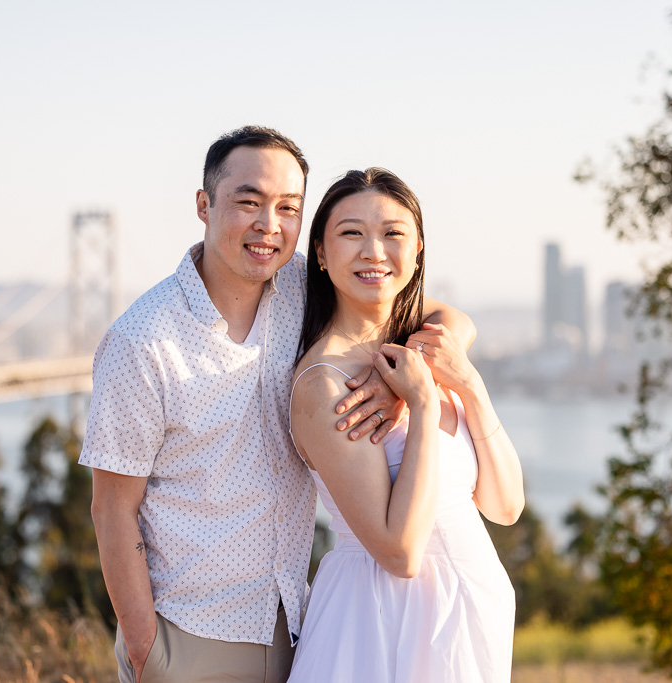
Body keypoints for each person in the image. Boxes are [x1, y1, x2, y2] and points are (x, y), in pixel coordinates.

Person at [79, 127, 474, 683]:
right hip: (191, 636)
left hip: (296, 625)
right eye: (249, 202)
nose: (270, 225)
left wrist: (396, 375)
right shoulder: (142, 342)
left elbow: (448, 320)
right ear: (204, 204)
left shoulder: (302, 286)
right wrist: (148, 652)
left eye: (289, 207)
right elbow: (111, 510)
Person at [286, 168, 524, 682]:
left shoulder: (424, 348)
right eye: (351, 233)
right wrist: (421, 404)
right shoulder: (324, 385)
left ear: (418, 251)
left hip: (470, 618)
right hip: (385, 624)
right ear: (321, 255)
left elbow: (505, 507)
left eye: (393, 233)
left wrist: (468, 384)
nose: (374, 251)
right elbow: (400, 553)